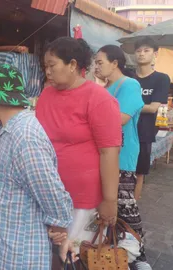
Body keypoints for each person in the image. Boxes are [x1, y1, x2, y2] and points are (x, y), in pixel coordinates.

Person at [0, 64, 74, 269]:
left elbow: (53, 195)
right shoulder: (8, 128)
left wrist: (59, 229)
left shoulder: (25, 137)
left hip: (18, 253)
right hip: (3, 244)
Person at [36, 37, 122, 262]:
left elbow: (109, 152)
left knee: (74, 256)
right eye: (45, 66)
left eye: (52, 65)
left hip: (82, 197)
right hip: (49, 194)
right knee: (49, 256)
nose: (48, 72)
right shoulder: (46, 96)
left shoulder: (99, 99)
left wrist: (109, 200)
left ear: (73, 65)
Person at [95, 45, 150, 268]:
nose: (96, 67)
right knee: (109, 208)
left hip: (122, 154)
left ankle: (141, 257)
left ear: (115, 63)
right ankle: (116, 254)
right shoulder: (104, 88)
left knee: (126, 207)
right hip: (103, 154)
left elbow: (120, 118)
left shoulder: (130, 85)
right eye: (95, 63)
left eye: (100, 62)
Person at [133, 38, 170, 201]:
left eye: (146, 50)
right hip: (123, 131)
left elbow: (153, 107)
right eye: (138, 51)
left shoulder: (161, 79)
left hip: (144, 133)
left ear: (155, 54)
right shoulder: (128, 77)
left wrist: (127, 107)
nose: (141, 54)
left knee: (139, 173)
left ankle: (132, 206)